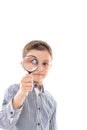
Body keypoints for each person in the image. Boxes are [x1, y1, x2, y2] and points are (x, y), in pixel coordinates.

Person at [0, 40, 57, 130]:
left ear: (50, 66)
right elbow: (4, 124)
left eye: (45, 63)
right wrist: (21, 94)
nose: (40, 68)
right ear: (23, 64)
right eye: (34, 62)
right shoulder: (13, 90)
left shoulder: (52, 101)